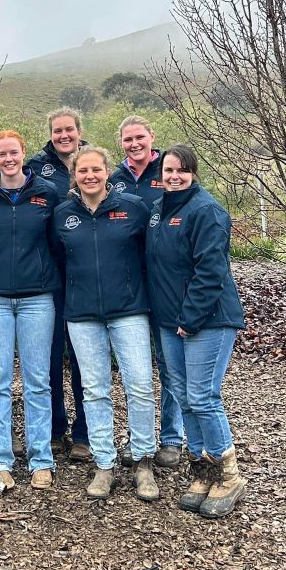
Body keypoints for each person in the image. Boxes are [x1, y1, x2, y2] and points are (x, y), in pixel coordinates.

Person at [145, 144, 246, 518]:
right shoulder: (158, 211)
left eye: (181, 170)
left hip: (207, 320)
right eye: (168, 170)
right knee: (184, 397)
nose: (174, 176)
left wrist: (190, 317)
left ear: (193, 172)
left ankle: (229, 475)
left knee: (203, 396)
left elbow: (211, 271)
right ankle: (202, 470)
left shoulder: (207, 211)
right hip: (170, 322)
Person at [53, 147, 159, 502]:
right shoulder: (62, 215)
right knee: (94, 389)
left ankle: (143, 460)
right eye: (83, 170)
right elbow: (57, 258)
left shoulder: (132, 208)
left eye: (96, 169)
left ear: (107, 172)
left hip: (128, 310)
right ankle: (104, 463)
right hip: (82, 314)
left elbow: (150, 255)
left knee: (140, 385)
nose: (90, 176)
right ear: (75, 175)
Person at [0, 130, 60, 491]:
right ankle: (0, 460)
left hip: (38, 296)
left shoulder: (45, 195)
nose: (8, 158)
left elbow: (56, 241)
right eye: (1, 154)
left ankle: (41, 458)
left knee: (38, 380)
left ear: (24, 153)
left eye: (14, 152)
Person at [110, 115, 184, 469]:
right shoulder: (114, 180)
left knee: (169, 365)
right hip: (128, 285)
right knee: (136, 371)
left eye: (140, 137)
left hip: (164, 283)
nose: (134, 144)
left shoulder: (168, 172)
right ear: (121, 143)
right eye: (127, 139)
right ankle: (138, 437)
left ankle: (171, 437)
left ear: (152, 137)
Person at [27, 107, 89, 460]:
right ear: (50, 134)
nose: (64, 135)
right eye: (57, 131)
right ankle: (53, 428)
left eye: (69, 130)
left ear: (79, 131)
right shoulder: (36, 166)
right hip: (48, 274)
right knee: (47, 356)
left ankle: (83, 432)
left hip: (84, 273)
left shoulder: (93, 161)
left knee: (82, 355)